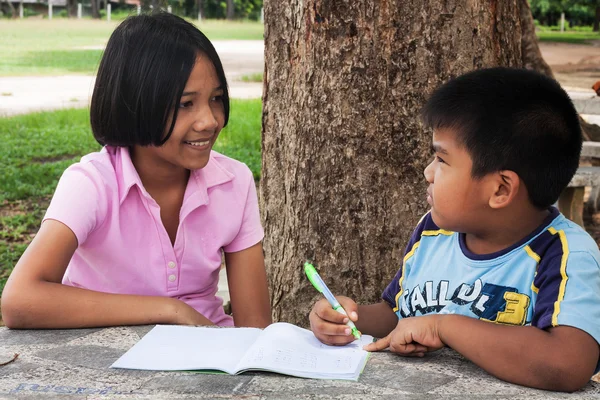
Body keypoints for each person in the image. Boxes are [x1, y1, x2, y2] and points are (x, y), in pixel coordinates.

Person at [309, 68, 600, 392]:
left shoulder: (562, 252)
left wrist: (444, 327)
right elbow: (399, 316)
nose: (427, 172)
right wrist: (348, 318)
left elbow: (568, 363)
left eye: (441, 160)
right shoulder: (434, 231)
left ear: (501, 190)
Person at [1, 13, 271, 330]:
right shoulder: (92, 184)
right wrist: (169, 310)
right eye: (186, 104)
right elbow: (20, 300)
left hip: (208, 363)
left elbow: (255, 329)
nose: (209, 120)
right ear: (136, 102)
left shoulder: (233, 182)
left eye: (216, 99)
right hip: (107, 364)